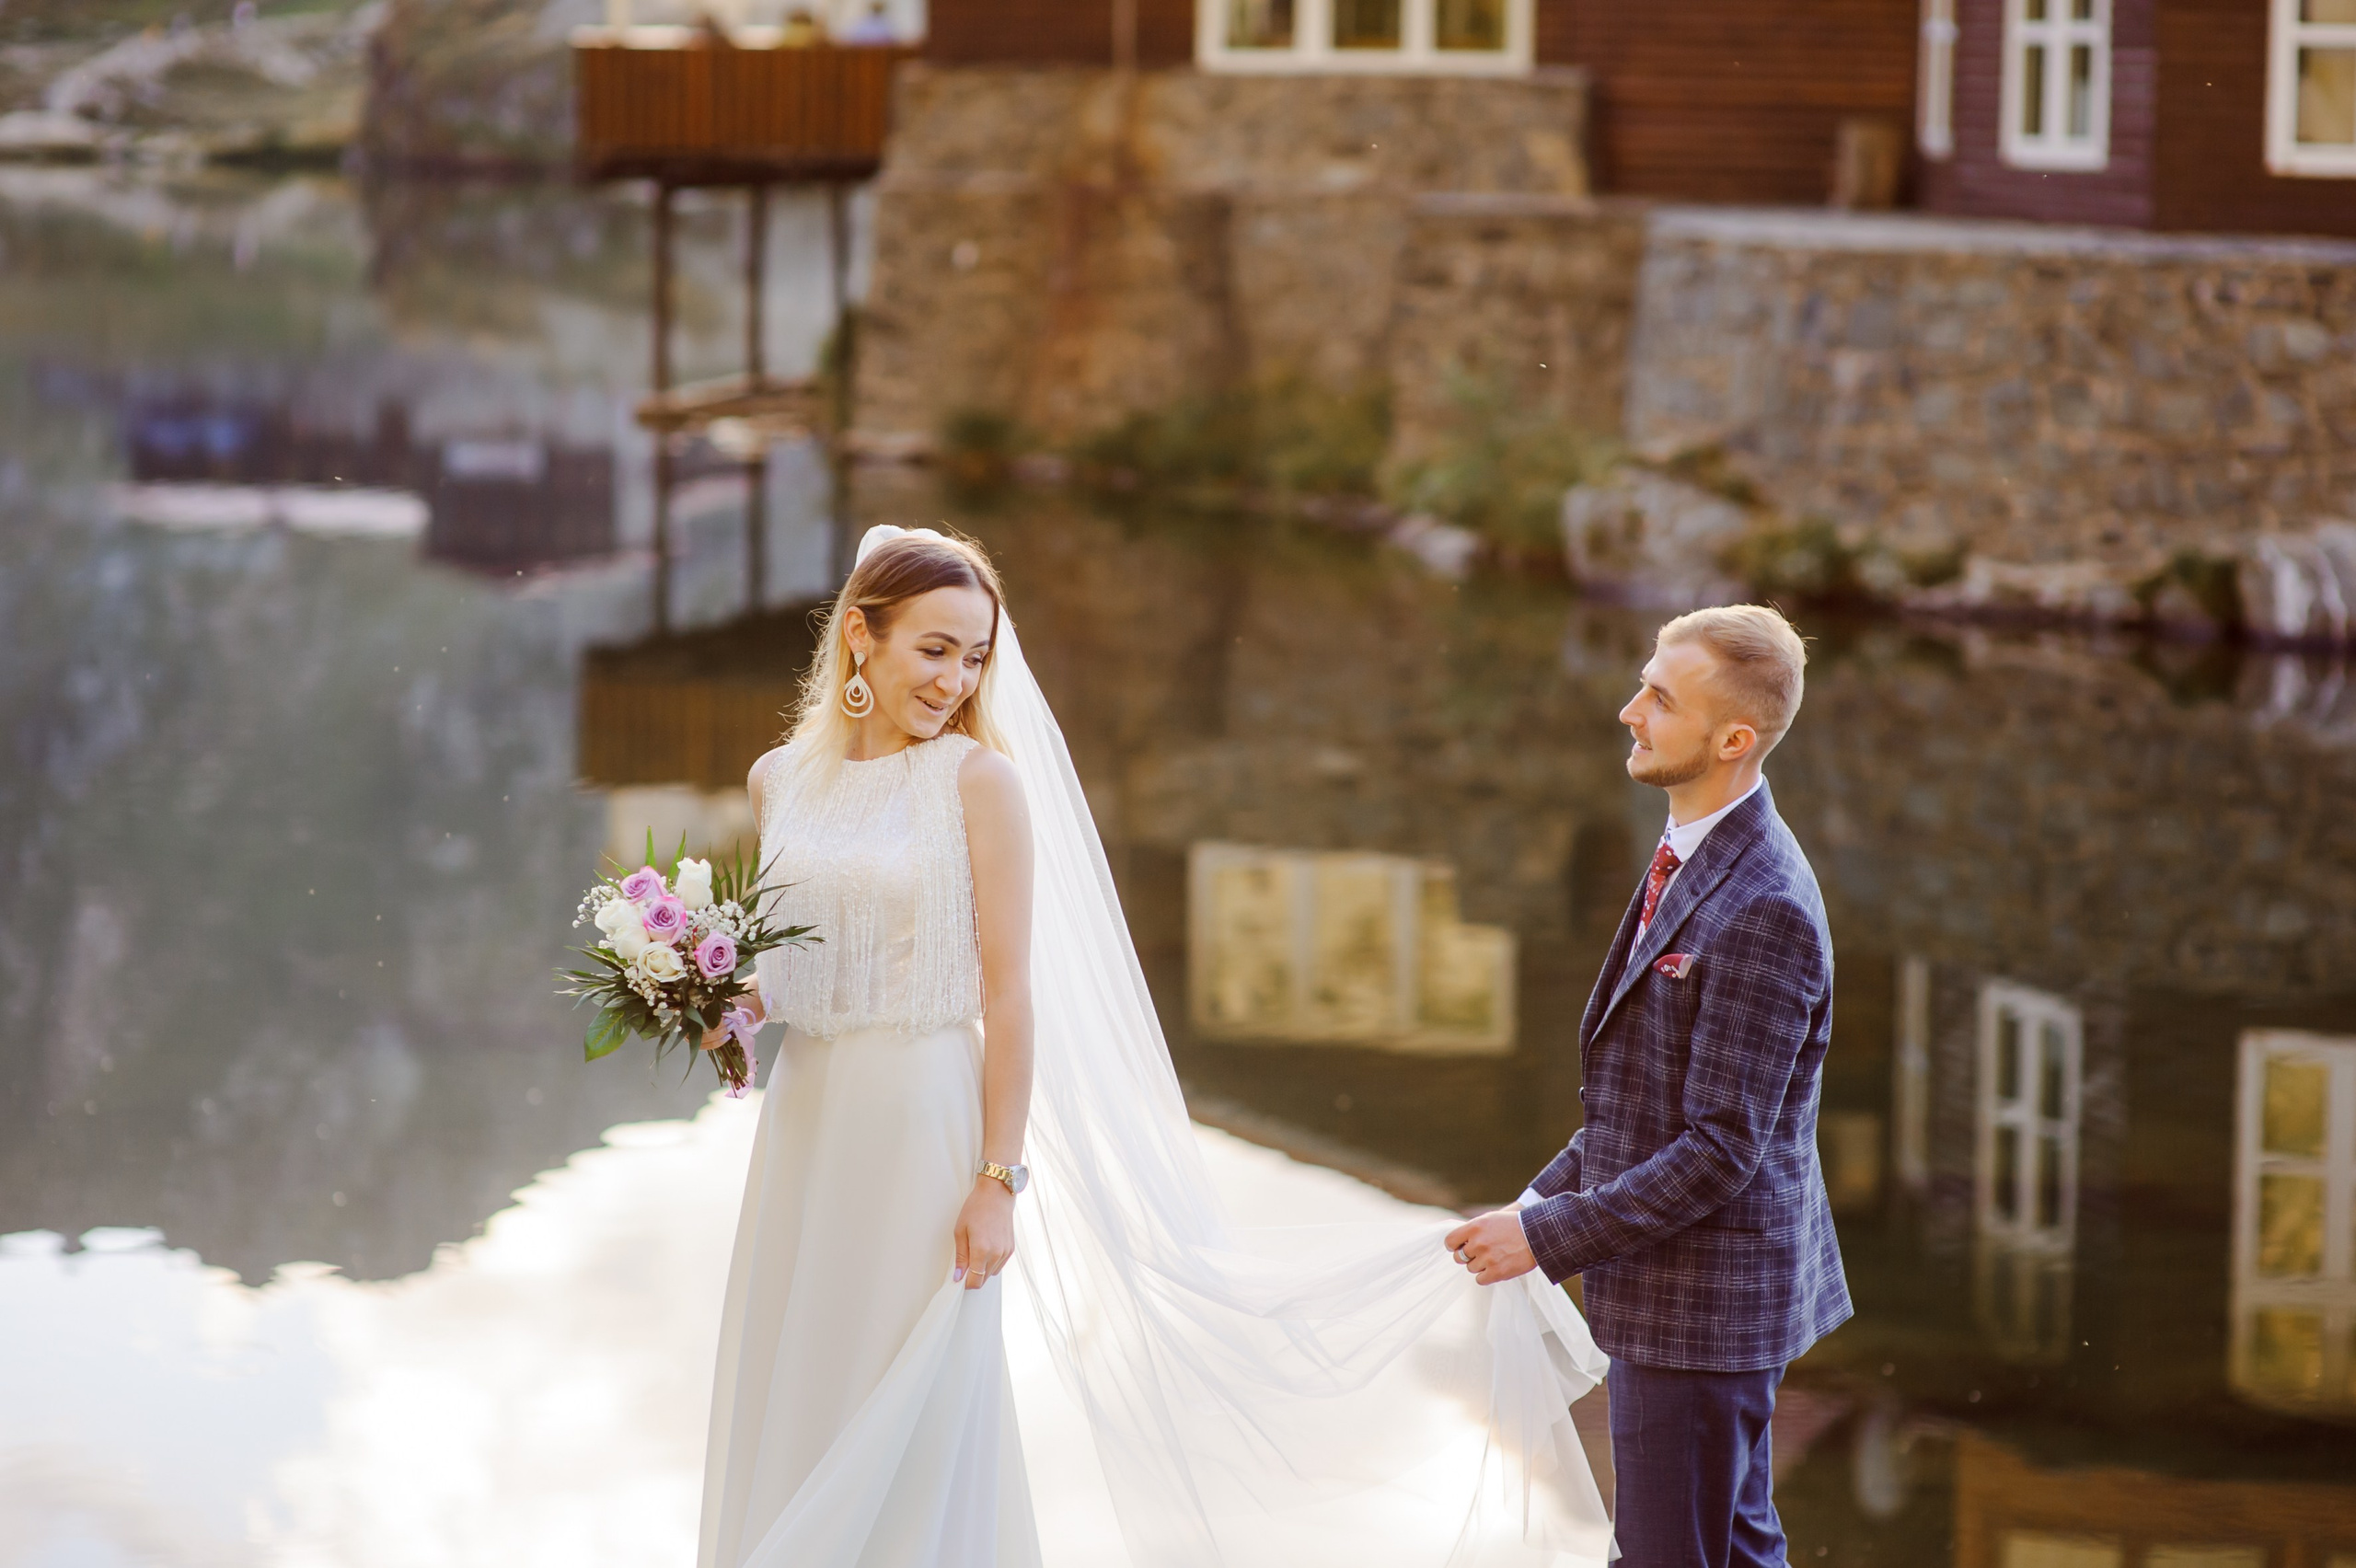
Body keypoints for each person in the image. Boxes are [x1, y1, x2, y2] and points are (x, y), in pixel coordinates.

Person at [697, 526, 1613, 1568]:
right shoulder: (779, 781)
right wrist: (701, 994)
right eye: (934, 649)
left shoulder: (976, 785)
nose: (955, 679)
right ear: (861, 638)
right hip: (810, 1119)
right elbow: (800, 970)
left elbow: (1010, 995)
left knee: (905, 1383)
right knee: (802, 1362)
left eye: (973, 656)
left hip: (922, 1116)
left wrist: (997, 1180)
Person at [1446, 605, 1851, 1568]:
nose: (1630, 712)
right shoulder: (1693, 846)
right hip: (1684, 1297)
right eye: (1642, 683)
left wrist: (1543, 1240)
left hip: (1704, 1313)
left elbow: (1717, 1150)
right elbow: (1642, 1103)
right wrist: (1534, 1199)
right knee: (1735, 1550)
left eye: (1660, 700)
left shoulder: (1763, 908)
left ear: (1733, 739)